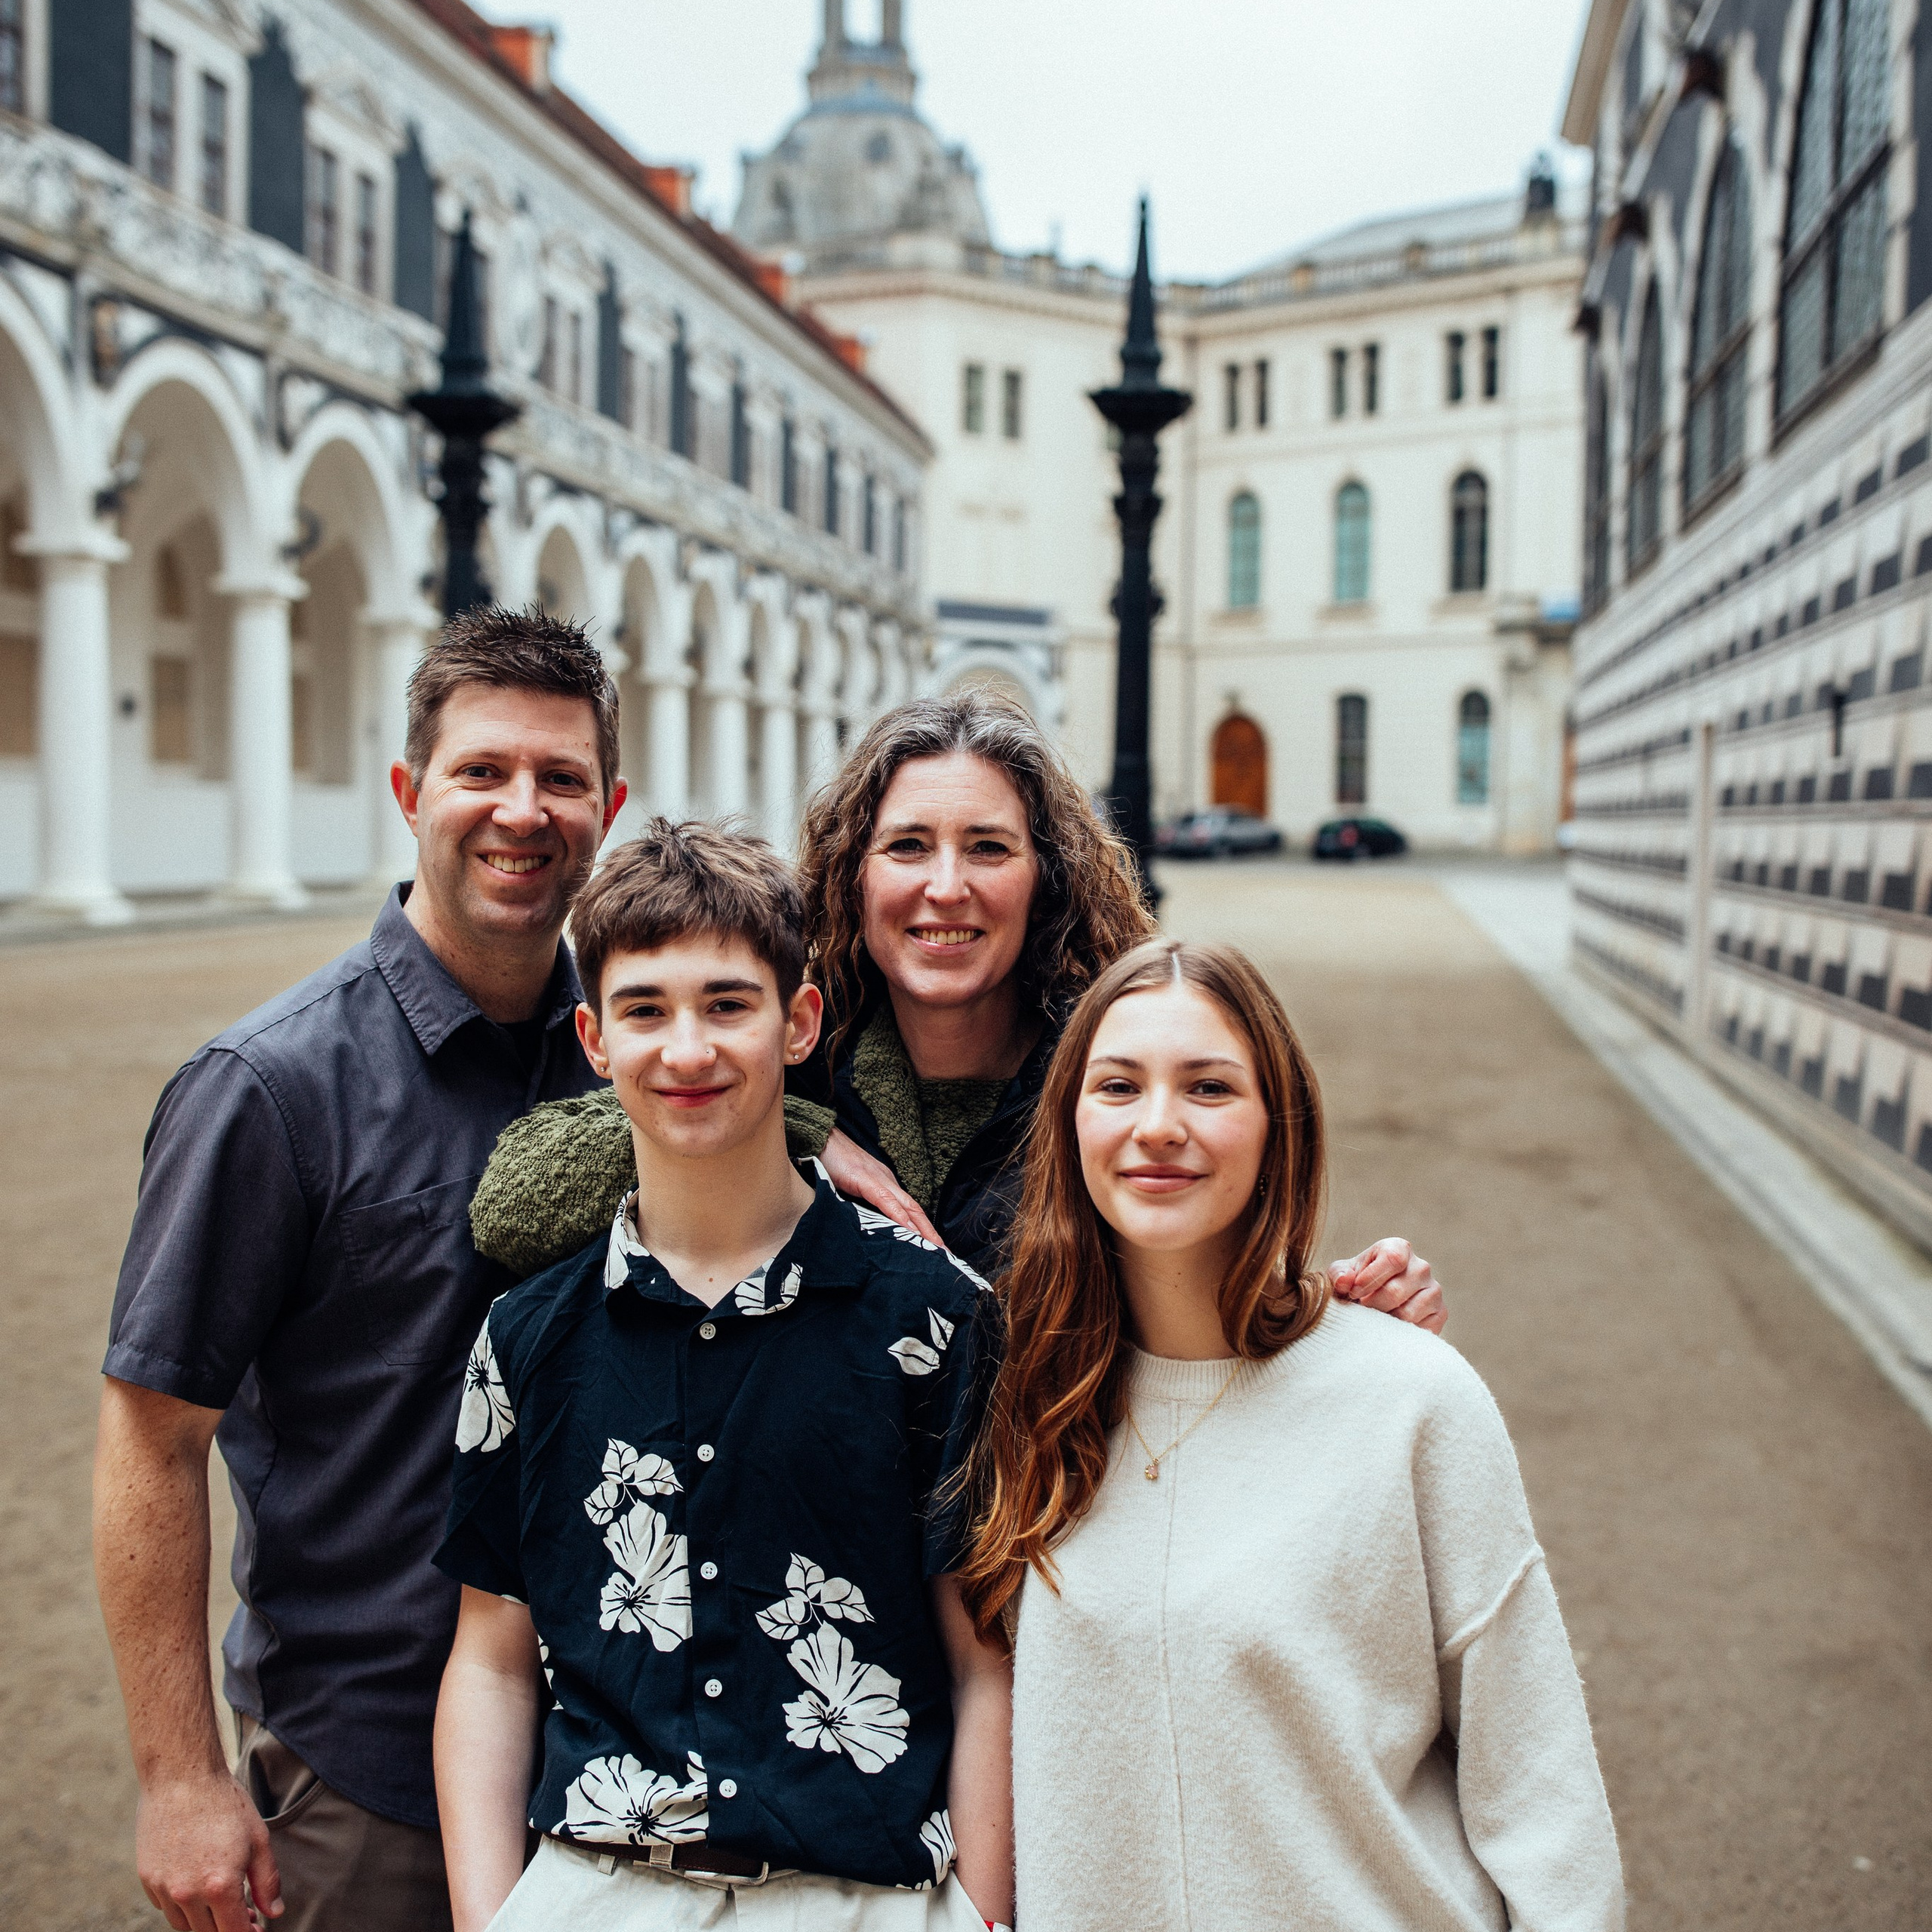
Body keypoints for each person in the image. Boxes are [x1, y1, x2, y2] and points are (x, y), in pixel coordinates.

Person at [94, 608, 628, 1932]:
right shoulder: (268, 1088)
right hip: (365, 1769)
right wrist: (178, 1778)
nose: (523, 811)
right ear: (409, 791)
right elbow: (152, 1438)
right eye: (482, 770)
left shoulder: (635, 1056)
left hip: (615, 1756)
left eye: (561, 778)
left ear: (608, 810)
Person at [959, 938, 1624, 1932]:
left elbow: (1541, 1790)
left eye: (1210, 1087)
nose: (1159, 1125)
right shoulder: (1019, 1401)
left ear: (1280, 1125)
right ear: (1069, 1124)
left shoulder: (1411, 1399)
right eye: (1119, 1086)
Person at [432, 820, 1011, 1931]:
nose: (687, 1049)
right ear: (595, 1040)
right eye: (646, 1010)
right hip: (595, 1893)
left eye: (728, 1004)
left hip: (867, 1899)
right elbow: (492, 1663)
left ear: (799, 1024)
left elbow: (986, 1664)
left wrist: (984, 1915)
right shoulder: (526, 1338)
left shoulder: (934, 1318)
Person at [471, 690, 1446, 1325]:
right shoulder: (784, 1053)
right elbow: (515, 1204)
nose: (947, 888)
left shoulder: (1107, 1077)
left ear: (1043, 874)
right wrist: (799, 1128)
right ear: (853, 873)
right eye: (907, 847)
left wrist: (1347, 1302)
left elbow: (1221, 1267)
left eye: (987, 848)